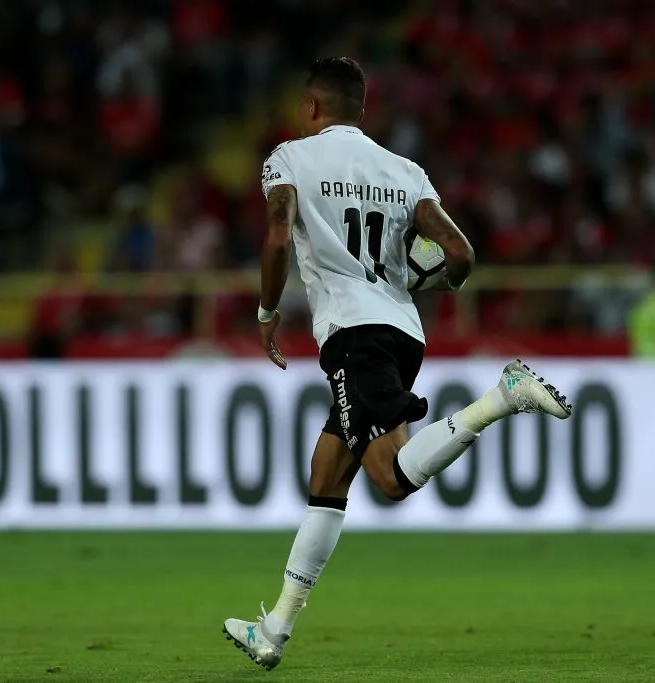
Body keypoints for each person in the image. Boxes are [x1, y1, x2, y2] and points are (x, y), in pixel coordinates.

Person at [221, 57, 573, 670]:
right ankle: (273, 629)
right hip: (403, 331)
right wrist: (427, 282)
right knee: (327, 476)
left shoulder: (289, 160)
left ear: (310, 109)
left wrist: (266, 313)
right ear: (361, 111)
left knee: (390, 479)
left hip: (354, 336)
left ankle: (502, 397)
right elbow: (460, 254)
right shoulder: (404, 172)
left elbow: (278, 235)